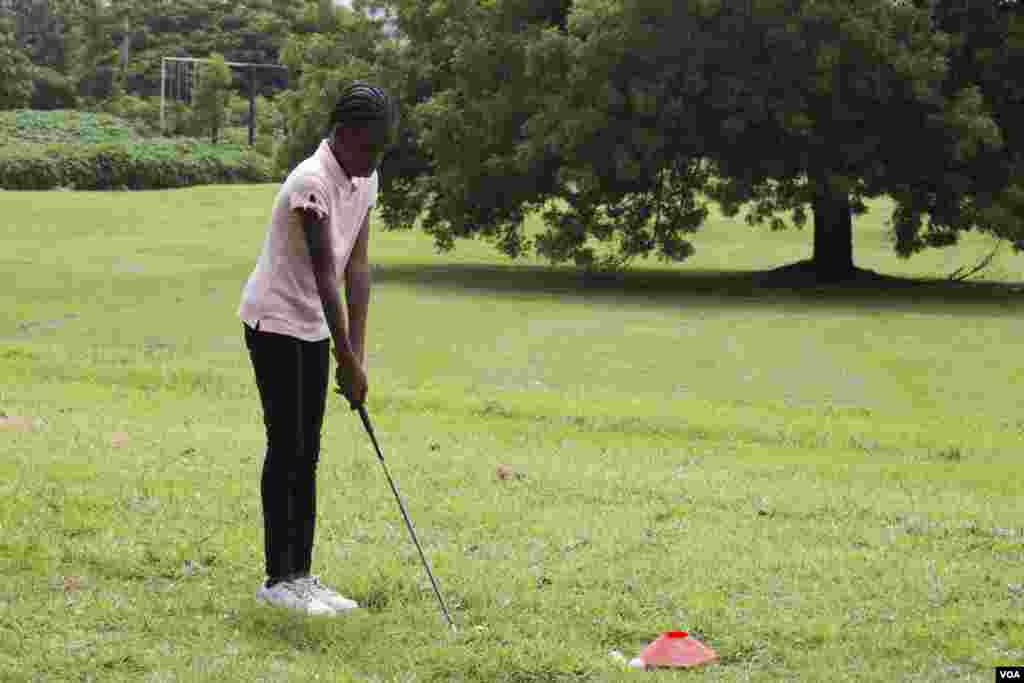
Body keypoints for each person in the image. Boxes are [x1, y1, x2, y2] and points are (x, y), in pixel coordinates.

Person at [238, 82, 395, 616]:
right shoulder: (311, 182)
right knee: (288, 445)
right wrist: (345, 359)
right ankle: (277, 579)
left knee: (310, 448)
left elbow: (357, 267)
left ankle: (300, 575)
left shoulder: (364, 177)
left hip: (312, 326)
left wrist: (359, 357)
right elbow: (325, 275)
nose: (374, 160)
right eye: (369, 147)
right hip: (275, 320)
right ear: (344, 135)